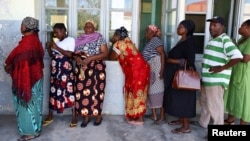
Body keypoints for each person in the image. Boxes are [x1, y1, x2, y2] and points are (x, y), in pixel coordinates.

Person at [198, 16, 243, 128]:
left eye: (215, 25)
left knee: (215, 106)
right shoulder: (212, 40)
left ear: (222, 27)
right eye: (211, 25)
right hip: (207, 79)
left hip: (215, 80)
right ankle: (203, 124)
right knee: (204, 103)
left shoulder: (224, 39)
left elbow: (238, 56)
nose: (211, 27)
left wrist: (222, 68)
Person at [4, 16, 44, 141]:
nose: (20, 27)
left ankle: (29, 133)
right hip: (36, 78)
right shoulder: (34, 41)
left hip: (27, 80)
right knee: (35, 105)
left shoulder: (27, 43)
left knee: (26, 106)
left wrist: (10, 66)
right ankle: (36, 130)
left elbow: (21, 61)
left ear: (27, 27)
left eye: (22, 24)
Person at [109, 26, 150, 125]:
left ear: (118, 36)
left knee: (136, 93)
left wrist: (112, 45)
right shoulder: (129, 42)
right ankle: (135, 116)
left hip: (136, 72)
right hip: (141, 70)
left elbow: (112, 58)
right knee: (138, 93)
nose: (113, 37)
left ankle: (139, 119)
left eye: (114, 35)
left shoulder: (119, 44)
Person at [72, 20, 108, 128]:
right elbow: (74, 54)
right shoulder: (79, 39)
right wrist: (77, 58)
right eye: (86, 26)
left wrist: (90, 58)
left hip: (96, 70)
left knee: (97, 92)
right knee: (82, 93)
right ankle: (86, 117)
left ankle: (98, 116)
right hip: (82, 70)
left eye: (90, 27)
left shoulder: (99, 38)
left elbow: (105, 53)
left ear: (94, 28)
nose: (88, 28)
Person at [163, 20, 197, 133]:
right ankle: (181, 120)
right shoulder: (183, 40)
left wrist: (173, 60)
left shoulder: (189, 42)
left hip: (184, 76)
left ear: (186, 29)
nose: (178, 28)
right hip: (177, 74)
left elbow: (190, 61)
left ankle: (186, 127)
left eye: (180, 27)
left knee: (184, 100)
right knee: (178, 99)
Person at [42, 23, 77, 127]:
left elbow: (70, 55)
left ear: (63, 30)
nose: (56, 34)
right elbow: (52, 55)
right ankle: (50, 115)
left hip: (65, 71)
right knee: (53, 92)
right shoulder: (57, 41)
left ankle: (74, 117)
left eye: (57, 32)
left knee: (69, 92)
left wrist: (56, 47)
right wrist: (49, 48)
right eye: (54, 32)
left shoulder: (70, 40)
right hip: (55, 72)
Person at [224, 19, 250, 125]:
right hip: (235, 71)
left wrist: (233, 48)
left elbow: (245, 59)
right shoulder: (242, 39)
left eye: (242, 26)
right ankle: (230, 119)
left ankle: (242, 124)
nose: (239, 28)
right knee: (233, 96)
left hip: (244, 75)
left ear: (248, 28)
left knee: (243, 99)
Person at [141, 25, 165, 124]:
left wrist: (162, 70)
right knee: (151, 92)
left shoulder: (155, 40)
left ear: (151, 33)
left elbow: (162, 54)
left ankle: (161, 116)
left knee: (158, 92)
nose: (145, 33)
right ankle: (154, 114)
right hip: (151, 68)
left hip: (156, 67)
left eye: (147, 31)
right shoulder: (150, 42)